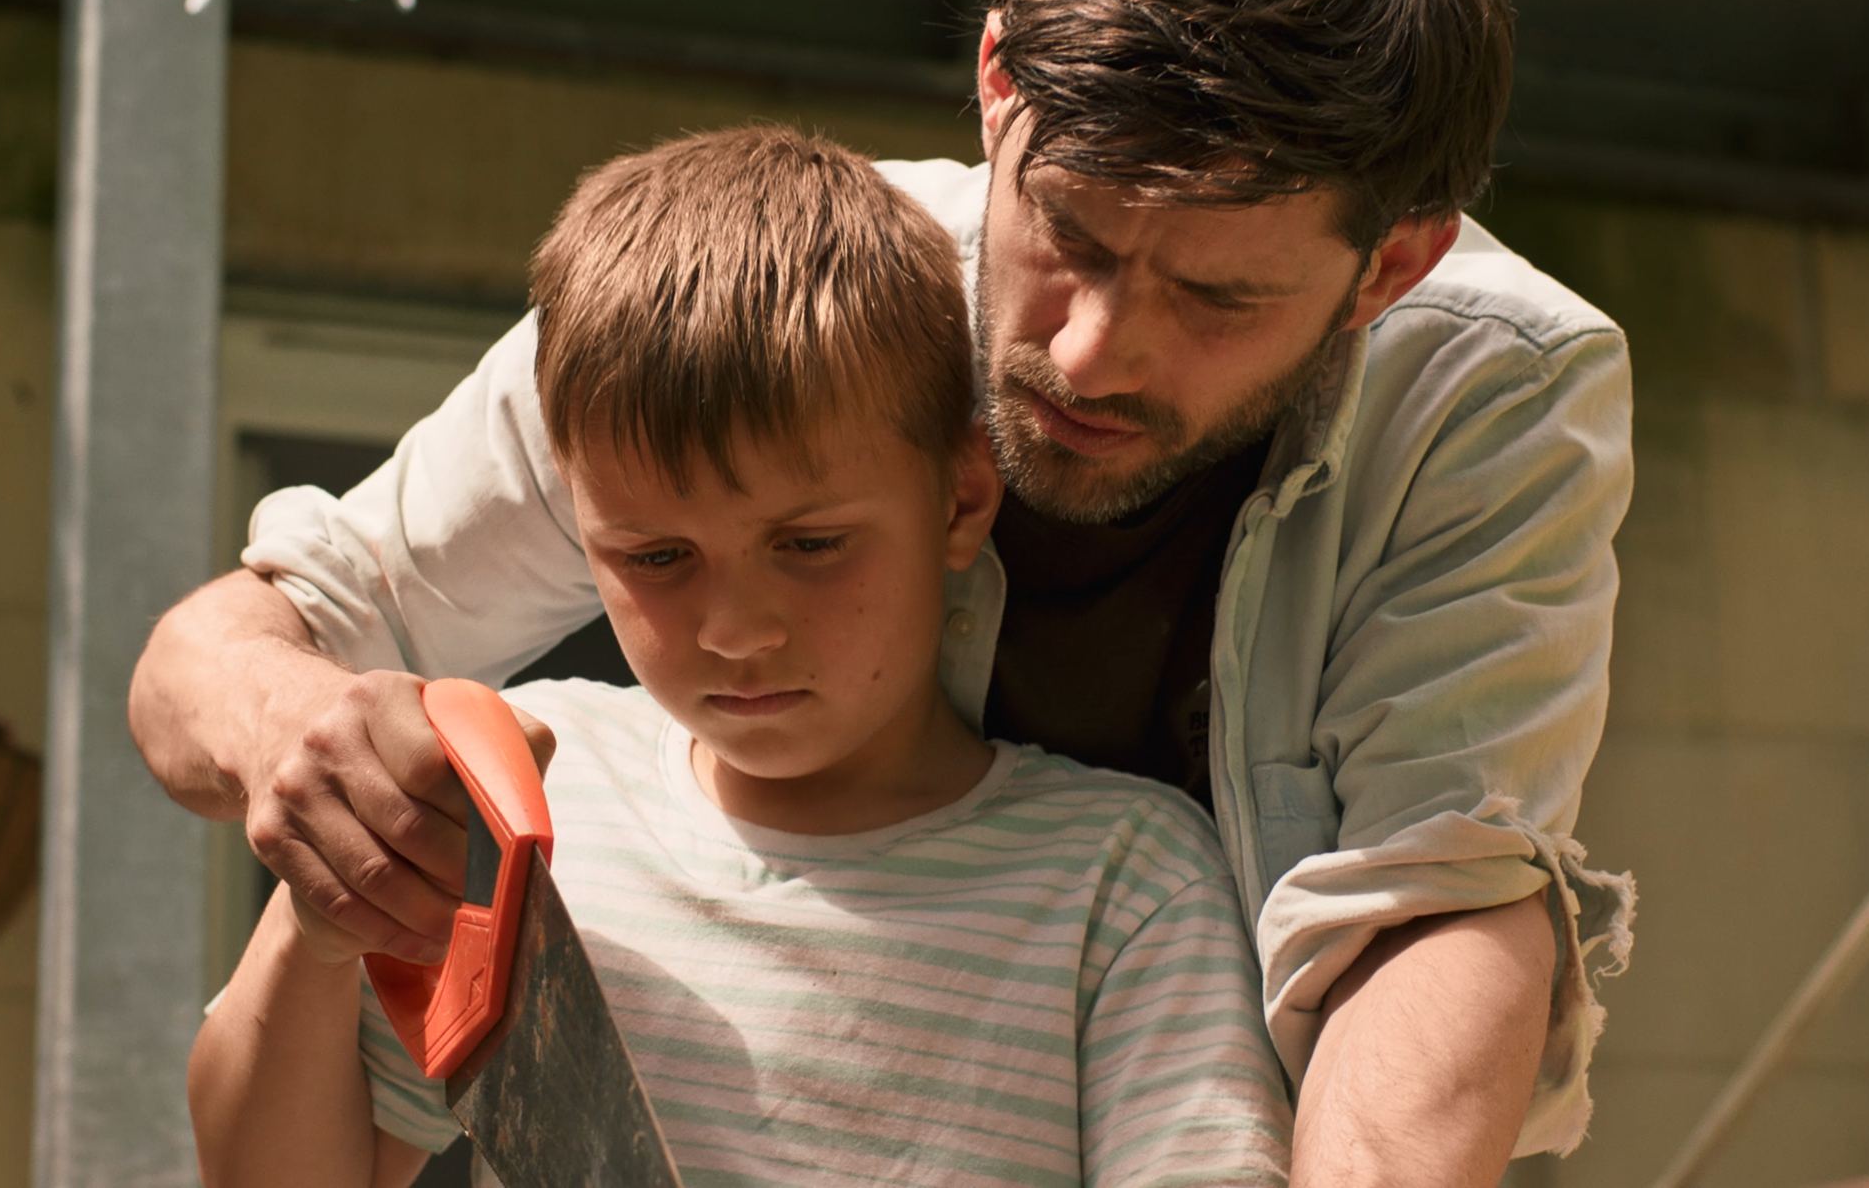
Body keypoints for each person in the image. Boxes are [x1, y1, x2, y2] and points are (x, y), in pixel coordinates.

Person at [134, 0, 1636, 1184]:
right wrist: (301, 753)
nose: (1092, 348)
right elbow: (251, 638)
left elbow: (1436, 898)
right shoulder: (756, 314)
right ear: (998, 86)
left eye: (1217, 296)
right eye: (1076, 238)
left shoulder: (1495, 389)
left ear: (1392, 265)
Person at [187, 127, 1292, 1188]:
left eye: (810, 545)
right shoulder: (530, 799)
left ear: (958, 497)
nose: (735, 628)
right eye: (657, 554)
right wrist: (321, 921)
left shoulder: (1126, 886)